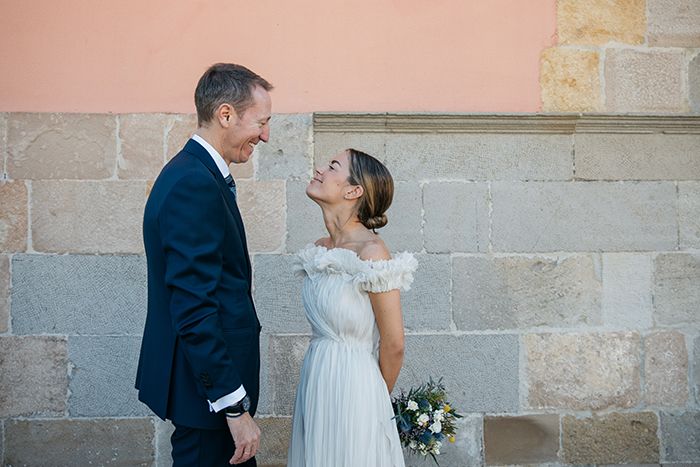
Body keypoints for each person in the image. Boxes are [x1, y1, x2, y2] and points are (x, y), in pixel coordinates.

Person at [135, 63, 272, 466]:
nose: (265, 135)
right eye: (261, 122)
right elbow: (194, 306)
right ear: (225, 114)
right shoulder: (193, 183)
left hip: (210, 399)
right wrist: (234, 406)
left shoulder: (197, 174)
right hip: (209, 401)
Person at [287, 149, 418, 466]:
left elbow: (394, 343)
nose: (320, 169)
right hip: (316, 378)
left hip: (355, 387)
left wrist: (373, 400)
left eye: (332, 166)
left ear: (353, 190)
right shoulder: (320, 249)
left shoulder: (372, 252)